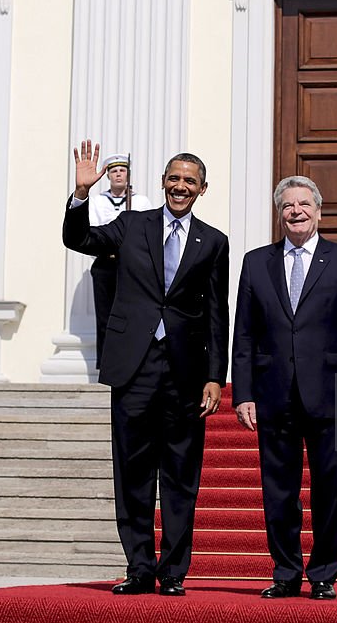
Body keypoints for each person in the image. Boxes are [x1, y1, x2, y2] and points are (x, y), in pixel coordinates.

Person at [63, 139, 229, 597]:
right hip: (134, 365)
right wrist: (80, 195)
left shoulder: (213, 241)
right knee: (133, 470)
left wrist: (216, 374)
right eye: (173, 178)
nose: (180, 186)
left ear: (202, 189)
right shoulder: (132, 225)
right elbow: (80, 239)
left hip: (185, 371)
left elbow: (217, 312)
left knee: (180, 474)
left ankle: (173, 571)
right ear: (162, 182)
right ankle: (139, 567)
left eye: (189, 181)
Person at [231, 175, 337, 600]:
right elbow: (244, 333)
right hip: (273, 391)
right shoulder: (256, 262)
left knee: (330, 488)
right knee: (278, 489)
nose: (295, 211)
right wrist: (242, 392)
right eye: (286, 206)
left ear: (319, 211)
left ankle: (324, 574)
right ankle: (285, 571)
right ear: (279, 214)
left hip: (331, 394)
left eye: (303, 204)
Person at [88, 154, 153, 368]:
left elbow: (148, 233)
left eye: (122, 170)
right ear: (107, 175)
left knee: (133, 314)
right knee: (105, 315)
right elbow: (94, 231)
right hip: (106, 263)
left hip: (132, 264)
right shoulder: (97, 201)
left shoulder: (141, 201)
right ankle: (106, 363)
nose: (118, 174)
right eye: (114, 171)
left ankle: (131, 362)